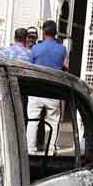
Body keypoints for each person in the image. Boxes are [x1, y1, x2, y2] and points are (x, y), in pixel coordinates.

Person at [27, 20, 68, 154]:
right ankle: (51, 151)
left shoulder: (35, 48)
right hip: (53, 91)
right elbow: (65, 67)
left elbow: (30, 66)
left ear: (43, 33)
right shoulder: (62, 49)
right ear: (55, 33)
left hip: (36, 90)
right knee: (53, 122)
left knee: (33, 121)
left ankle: (30, 151)